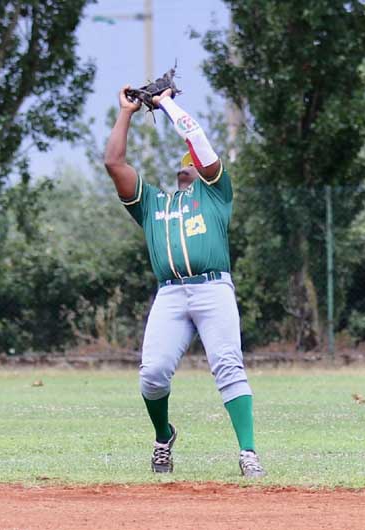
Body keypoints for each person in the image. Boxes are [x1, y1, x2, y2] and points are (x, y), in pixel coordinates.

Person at [103, 85, 265, 478]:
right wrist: (126, 112)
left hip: (213, 289)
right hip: (171, 295)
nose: (187, 165)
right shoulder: (153, 204)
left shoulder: (216, 196)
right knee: (152, 374)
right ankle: (164, 436)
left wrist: (166, 104)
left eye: (193, 162)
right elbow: (113, 162)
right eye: (184, 163)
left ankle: (247, 452)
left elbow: (197, 138)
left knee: (228, 366)